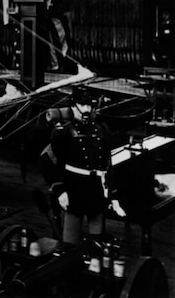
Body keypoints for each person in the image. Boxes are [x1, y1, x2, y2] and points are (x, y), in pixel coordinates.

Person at [39, 87, 125, 244]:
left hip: (96, 190)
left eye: (90, 105)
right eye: (82, 105)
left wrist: (113, 196)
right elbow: (46, 162)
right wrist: (60, 190)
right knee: (70, 241)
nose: (86, 109)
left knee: (98, 242)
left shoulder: (102, 130)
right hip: (74, 189)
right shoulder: (63, 132)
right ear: (73, 106)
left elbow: (108, 165)